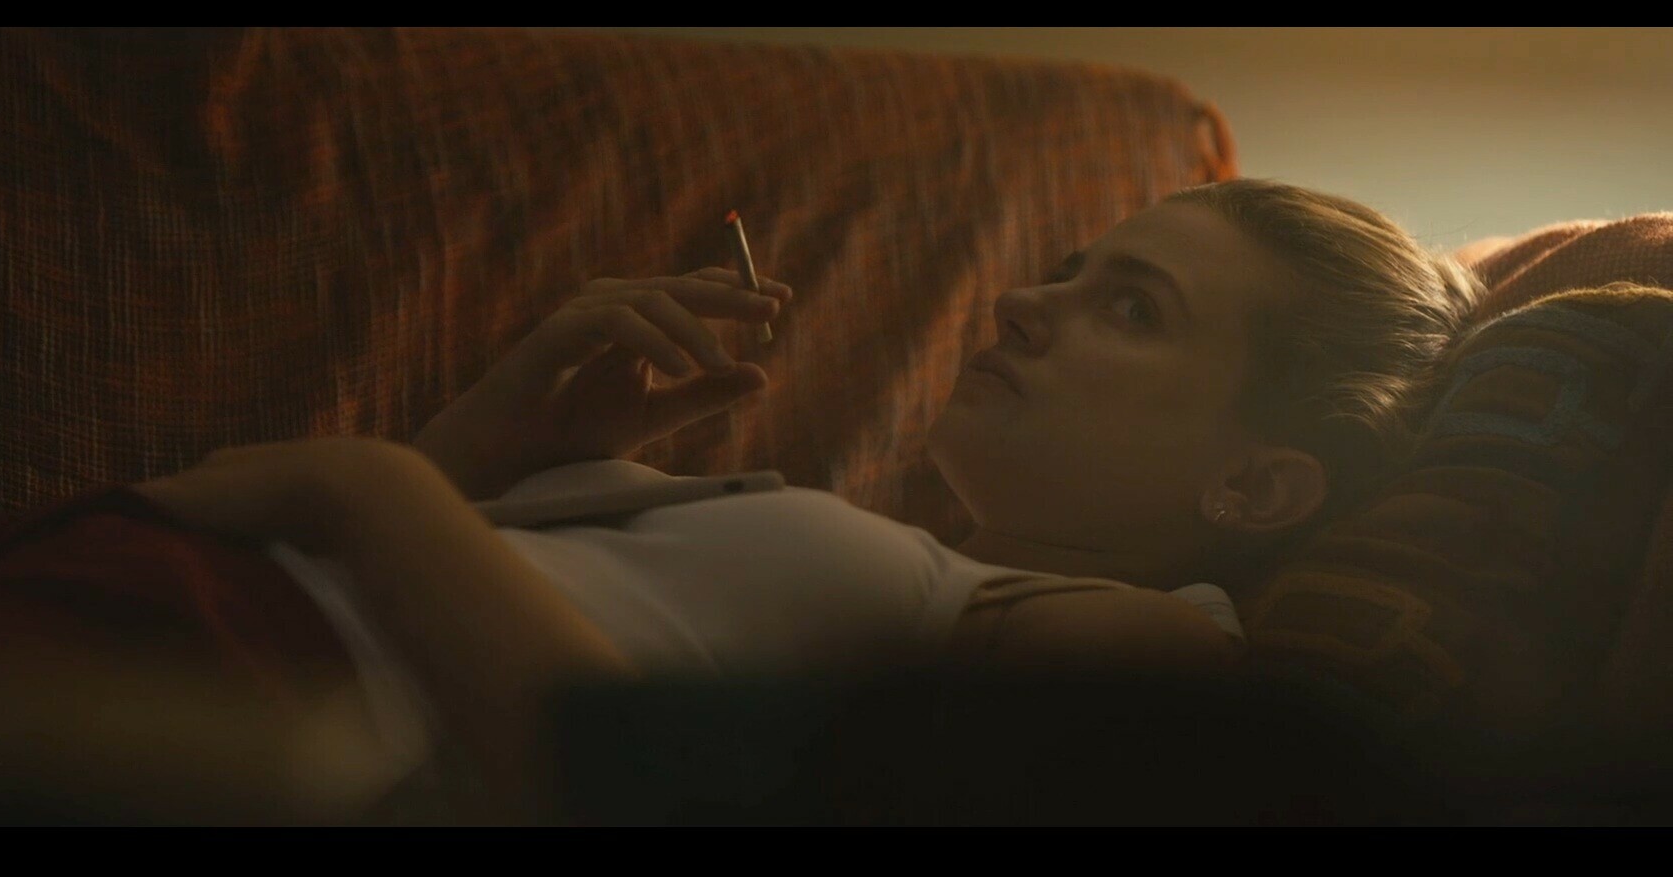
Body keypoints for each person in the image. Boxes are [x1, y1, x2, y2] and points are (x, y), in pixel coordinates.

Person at [128, 178, 1485, 822]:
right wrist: (491, 446)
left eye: (1132, 308)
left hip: (174, 714)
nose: (1023, 300)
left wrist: (375, 492)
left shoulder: (1156, 648)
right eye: (1070, 269)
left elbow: (678, 798)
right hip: (142, 635)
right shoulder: (911, 561)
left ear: (1254, 484)